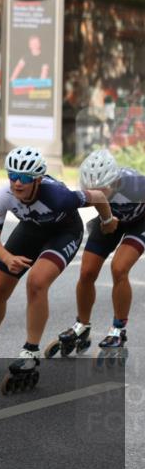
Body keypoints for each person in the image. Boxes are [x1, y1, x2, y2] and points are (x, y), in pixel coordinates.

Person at [0, 147, 114, 394]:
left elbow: (99, 197)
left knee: (36, 282)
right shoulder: (4, 195)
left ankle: (31, 350)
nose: (17, 182)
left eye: (25, 178)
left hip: (64, 232)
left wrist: (107, 221)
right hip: (31, 229)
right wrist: (7, 257)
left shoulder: (59, 196)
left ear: (37, 179)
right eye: (12, 175)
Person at [60, 149, 145, 361]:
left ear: (114, 183)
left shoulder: (137, 185)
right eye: (91, 190)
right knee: (87, 272)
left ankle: (118, 329)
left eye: (100, 190)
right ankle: (82, 324)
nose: (95, 194)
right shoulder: (90, 191)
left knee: (119, 268)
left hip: (140, 222)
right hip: (110, 220)